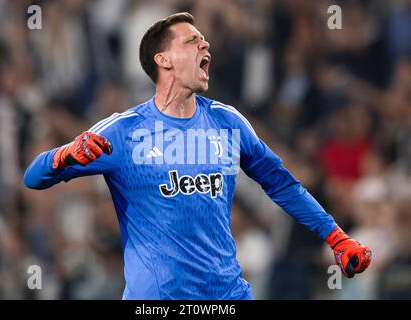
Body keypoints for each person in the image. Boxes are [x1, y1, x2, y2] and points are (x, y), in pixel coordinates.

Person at [23, 12, 372, 300]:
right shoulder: (123, 131)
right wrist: (64, 156)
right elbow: (33, 178)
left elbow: (283, 186)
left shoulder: (228, 122)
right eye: (192, 40)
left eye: (203, 39)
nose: (205, 43)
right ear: (164, 60)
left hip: (227, 297)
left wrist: (335, 236)